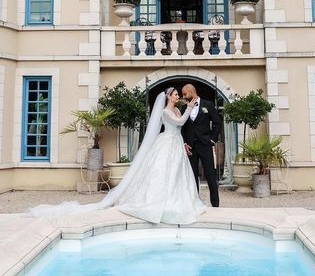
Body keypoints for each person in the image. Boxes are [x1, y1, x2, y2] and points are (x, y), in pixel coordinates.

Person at [28, 88, 206, 225]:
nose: (177, 96)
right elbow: (180, 122)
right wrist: (190, 106)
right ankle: (161, 203)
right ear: (168, 97)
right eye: (175, 94)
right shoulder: (166, 112)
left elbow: (180, 125)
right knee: (162, 173)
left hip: (176, 143)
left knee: (176, 175)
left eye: (177, 95)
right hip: (166, 143)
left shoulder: (176, 110)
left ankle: (177, 202)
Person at [181, 84, 220, 207]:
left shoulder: (207, 104)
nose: (183, 96)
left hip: (205, 144)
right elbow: (181, 127)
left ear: (192, 92)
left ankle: (215, 204)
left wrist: (212, 140)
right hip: (190, 147)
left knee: (210, 174)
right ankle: (195, 204)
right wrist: (185, 142)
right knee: (192, 175)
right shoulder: (183, 108)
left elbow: (217, 123)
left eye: (184, 93)